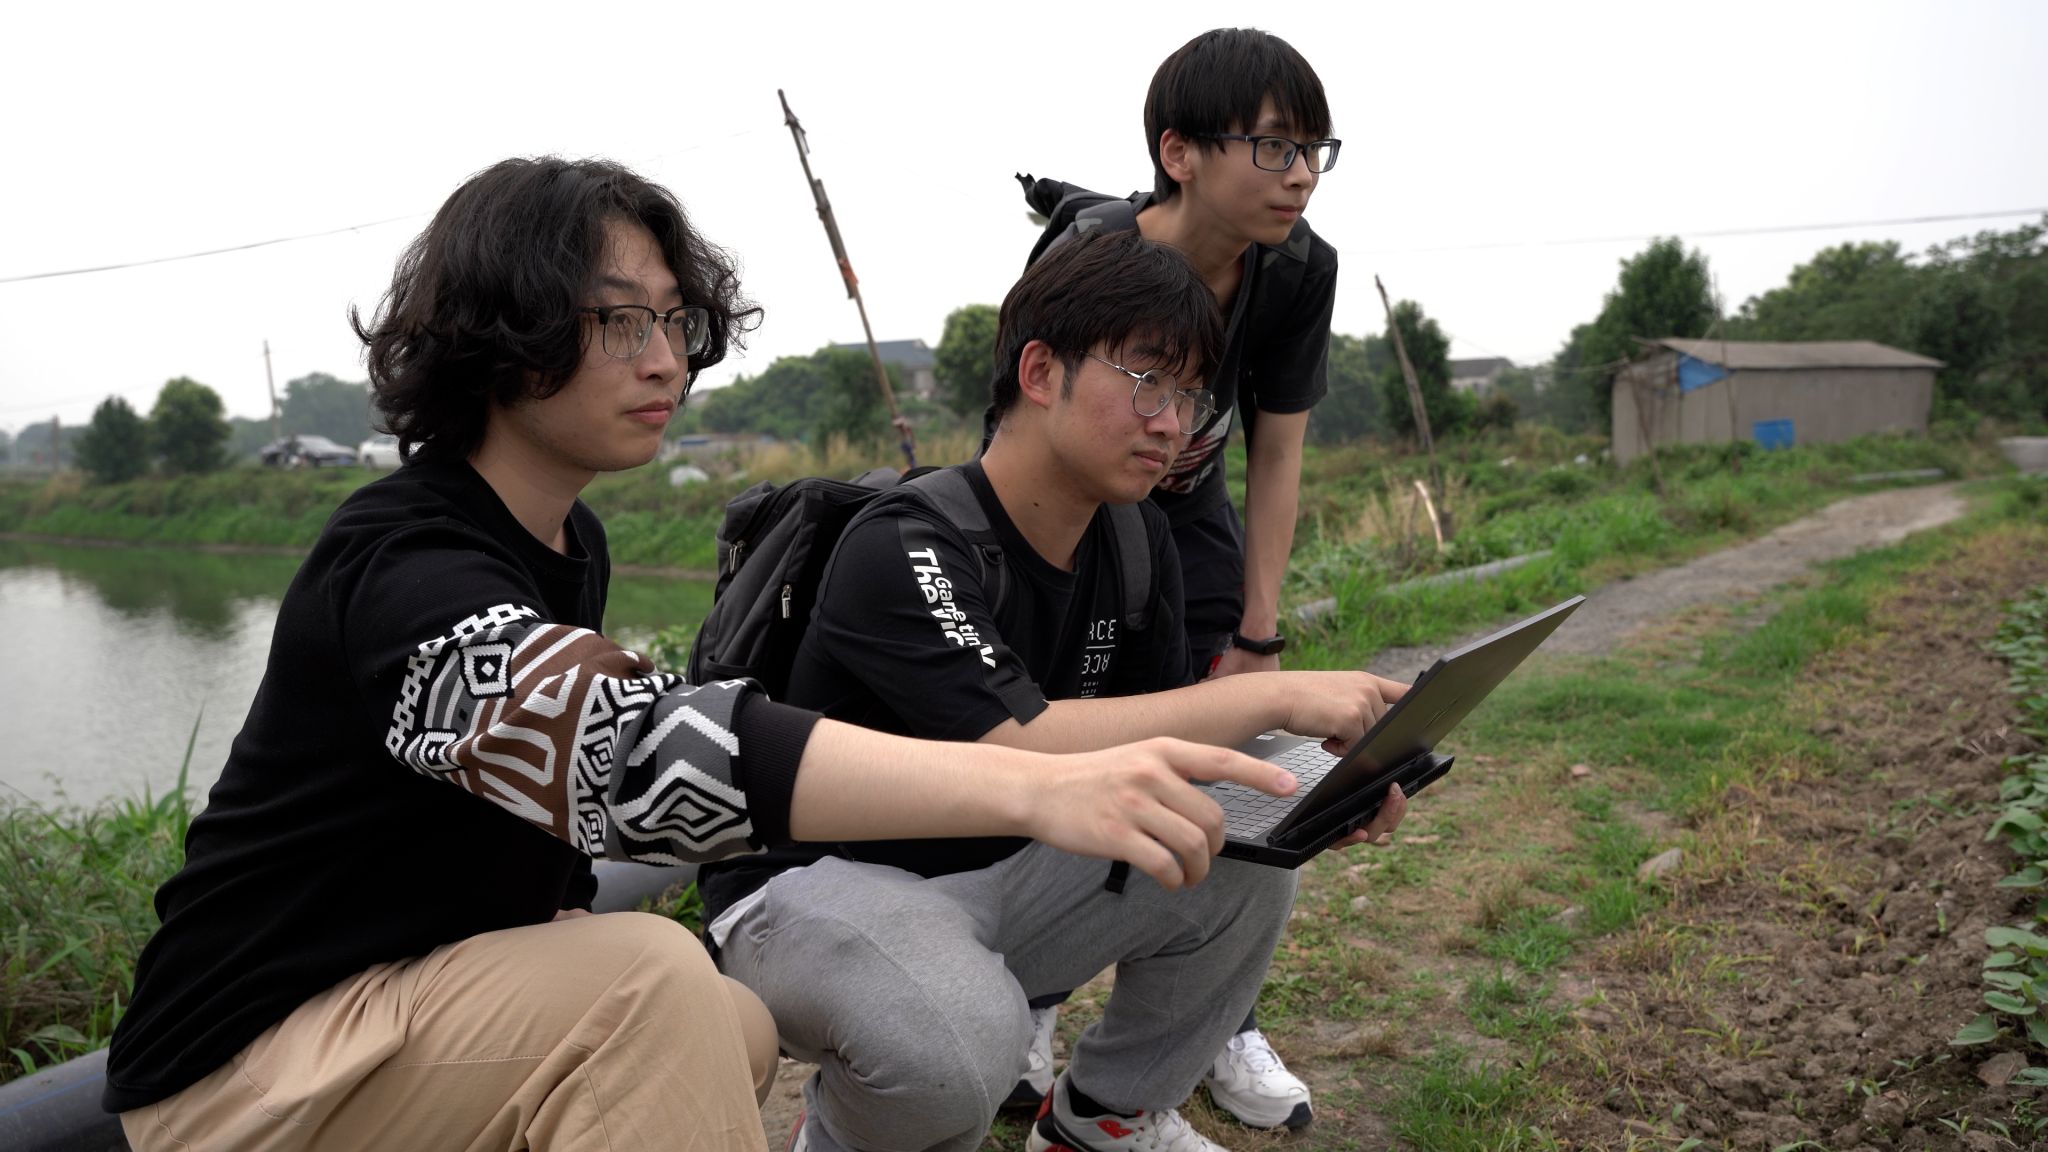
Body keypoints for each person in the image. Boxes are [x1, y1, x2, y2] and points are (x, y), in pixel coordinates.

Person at [100, 157, 1303, 1152]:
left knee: (727, 1025)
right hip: (252, 1062)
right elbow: (630, 755)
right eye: (621, 319)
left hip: (412, 1001)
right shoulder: (399, 559)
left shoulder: (565, 542)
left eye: (674, 321)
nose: (666, 357)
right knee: (654, 983)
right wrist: (1030, 781)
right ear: (503, 329)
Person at [698, 228, 1411, 1152]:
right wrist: (1273, 697)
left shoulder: (1137, 540)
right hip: (815, 892)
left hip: (1007, 878)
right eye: (1147, 380)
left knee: (1240, 859)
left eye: (1191, 395)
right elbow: (1018, 743)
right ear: (1040, 372)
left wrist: (1310, 796)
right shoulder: (906, 541)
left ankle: (1106, 1119)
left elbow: (1164, 752)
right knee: (957, 1039)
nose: (1173, 423)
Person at [1010, 27, 1346, 1128]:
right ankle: (1030, 998)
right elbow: (1020, 432)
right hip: (1071, 520)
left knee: (1238, 765)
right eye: (1273, 147)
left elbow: (1277, 451)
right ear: (1179, 152)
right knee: (1066, 740)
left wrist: (1258, 631)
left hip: (1189, 515)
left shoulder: (1299, 270)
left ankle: (1218, 1020)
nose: (1299, 175)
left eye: (1314, 150)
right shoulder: (1089, 254)